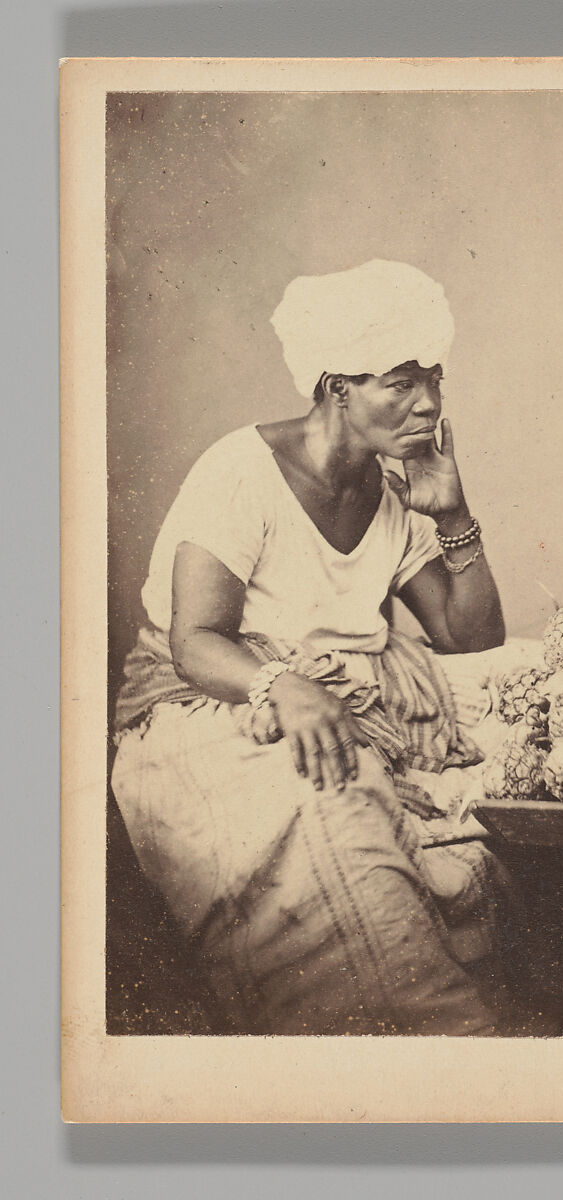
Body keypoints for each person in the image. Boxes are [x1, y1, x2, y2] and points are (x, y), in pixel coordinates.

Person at [111, 260, 511, 1036]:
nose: (427, 401)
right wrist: (285, 689)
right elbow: (194, 640)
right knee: (335, 807)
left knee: (512, 700)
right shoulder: (242, 470)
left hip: (337, 703)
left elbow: (472, 637)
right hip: (209, 711)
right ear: (338, 387)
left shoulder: (390, 494)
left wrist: (453, 512)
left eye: (433, 377)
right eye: (400, 382)